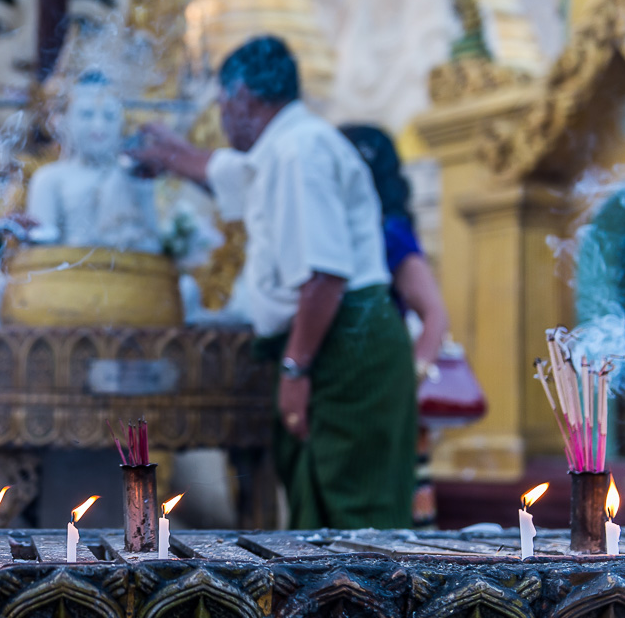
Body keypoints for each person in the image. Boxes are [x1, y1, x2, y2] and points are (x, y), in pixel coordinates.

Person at [132, 36, 417, 529]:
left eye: (222, 104)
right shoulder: (287, 145)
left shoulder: (296, 152)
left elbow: (323, 277)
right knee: (321, 517)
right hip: (334, 338)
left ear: (243, 99)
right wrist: (173, 155)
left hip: (342, 343)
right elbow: (233, 174)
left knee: (357, 527)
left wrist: (294, 370)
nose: (221, 117)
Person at [341, 124, 450, 529]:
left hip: (384, 385)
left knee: (391, 501)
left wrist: (409, 379)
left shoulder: (388, 231)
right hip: (362, 381)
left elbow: (435, 315)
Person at [26, 70, 160, 252]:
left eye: (110, 116)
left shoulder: (134, 177)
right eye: (87, 115)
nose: (99, 126)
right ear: (64, 121)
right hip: (67, 276)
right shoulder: (49, 179)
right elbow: (39, 253)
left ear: (122, 123)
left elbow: (152, 246)